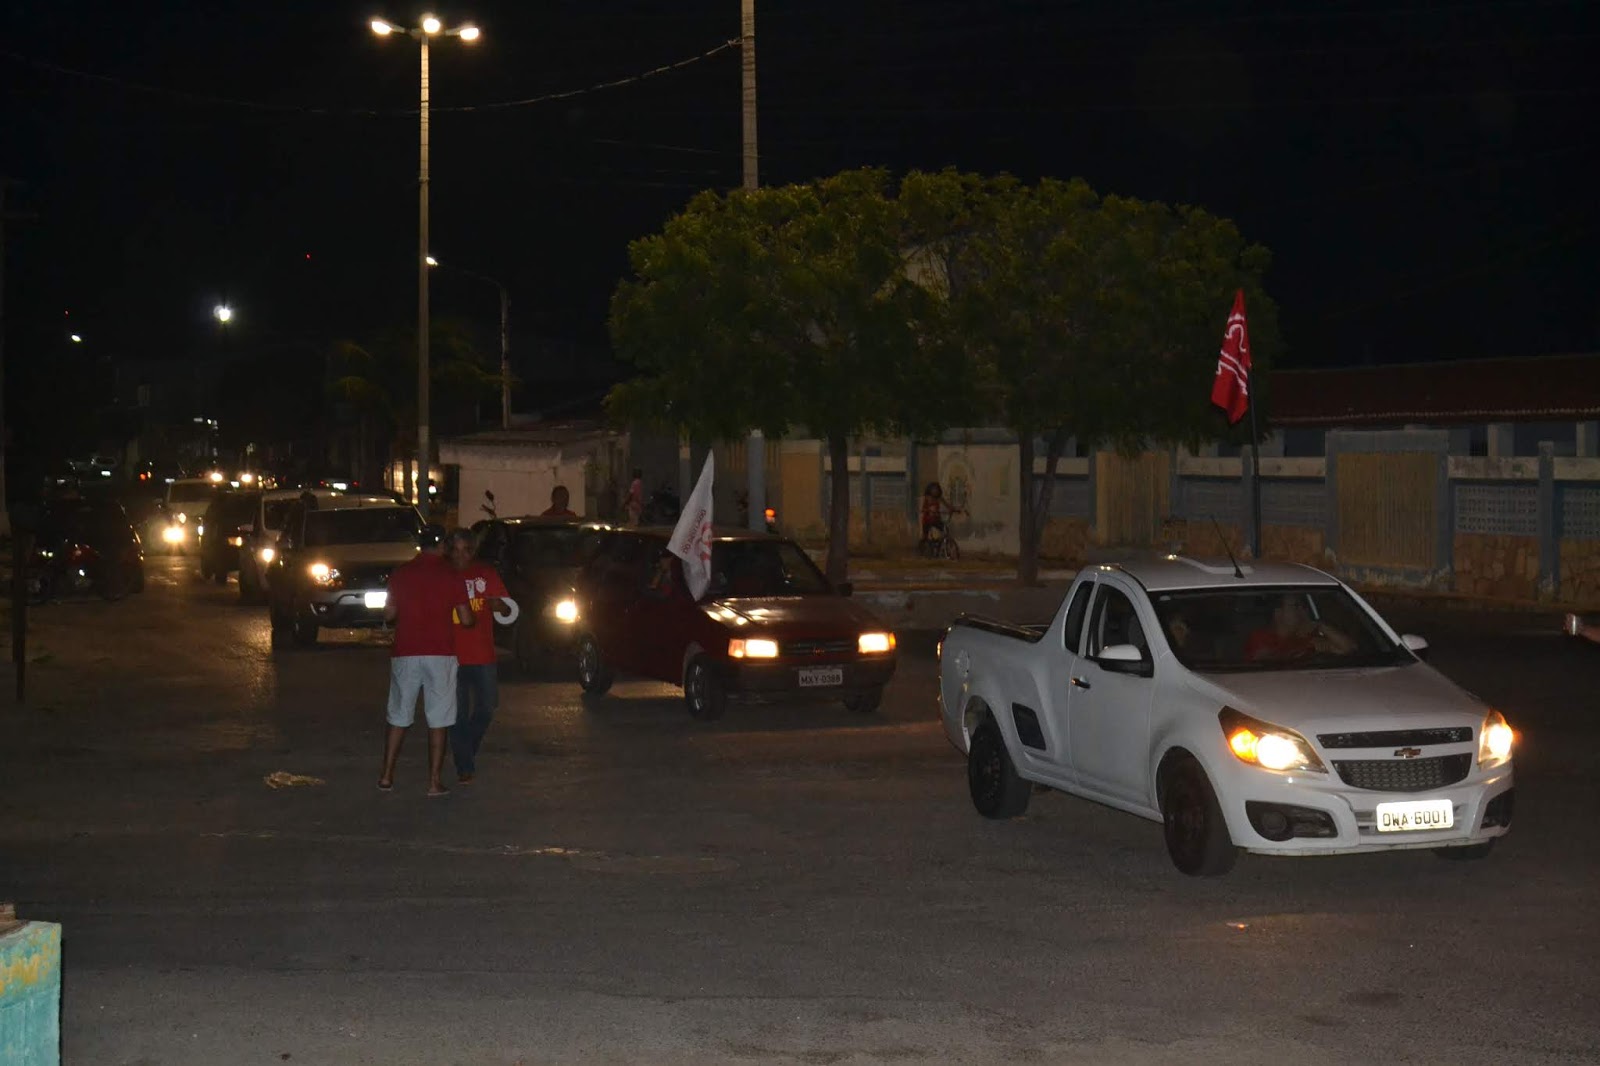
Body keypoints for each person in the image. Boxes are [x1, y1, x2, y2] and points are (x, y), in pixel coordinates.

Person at [380, 526, 475, 796]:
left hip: (406, 651)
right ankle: (434, 782)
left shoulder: (401, 573)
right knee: (439, 718)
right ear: (443, 545)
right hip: (440, 653)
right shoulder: (451, 575)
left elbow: (388, 615)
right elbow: (466, 619)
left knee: (399, 715)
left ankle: (386, 776)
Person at [445, 528, 510, 785]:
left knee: (487, 708)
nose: (461, 555)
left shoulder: (485, 573)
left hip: (483, 654)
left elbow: (507, 609)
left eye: (466, 550)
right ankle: (464, 765)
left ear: (473, 551)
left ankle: (465, 750)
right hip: (451, 656)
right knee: (457, 714)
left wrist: (499, 606)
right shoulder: (443, 575)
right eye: (456, 550)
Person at [1244, 593, 1354, 662]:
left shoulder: (1309, 637)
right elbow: (1264, 663)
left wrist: (1320, 626)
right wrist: (1304, 648)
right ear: (1278, 612)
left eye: (1303, 606)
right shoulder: (1261, 637)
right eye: (1296, 606)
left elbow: (1348, 648)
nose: (1302, 610)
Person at [920, 481, 953, 546]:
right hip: (927, 520)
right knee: (925, 536)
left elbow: (947, 505)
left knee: (945, 529)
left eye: (936, 489)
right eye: (934, 489)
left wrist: (951, 509)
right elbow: (923, 508)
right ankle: (923, 545)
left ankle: (941, 543)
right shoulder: (927, 498)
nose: (935, 491)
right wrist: (928, 510)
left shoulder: (939, 498)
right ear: (930, 490)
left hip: (936, 519)